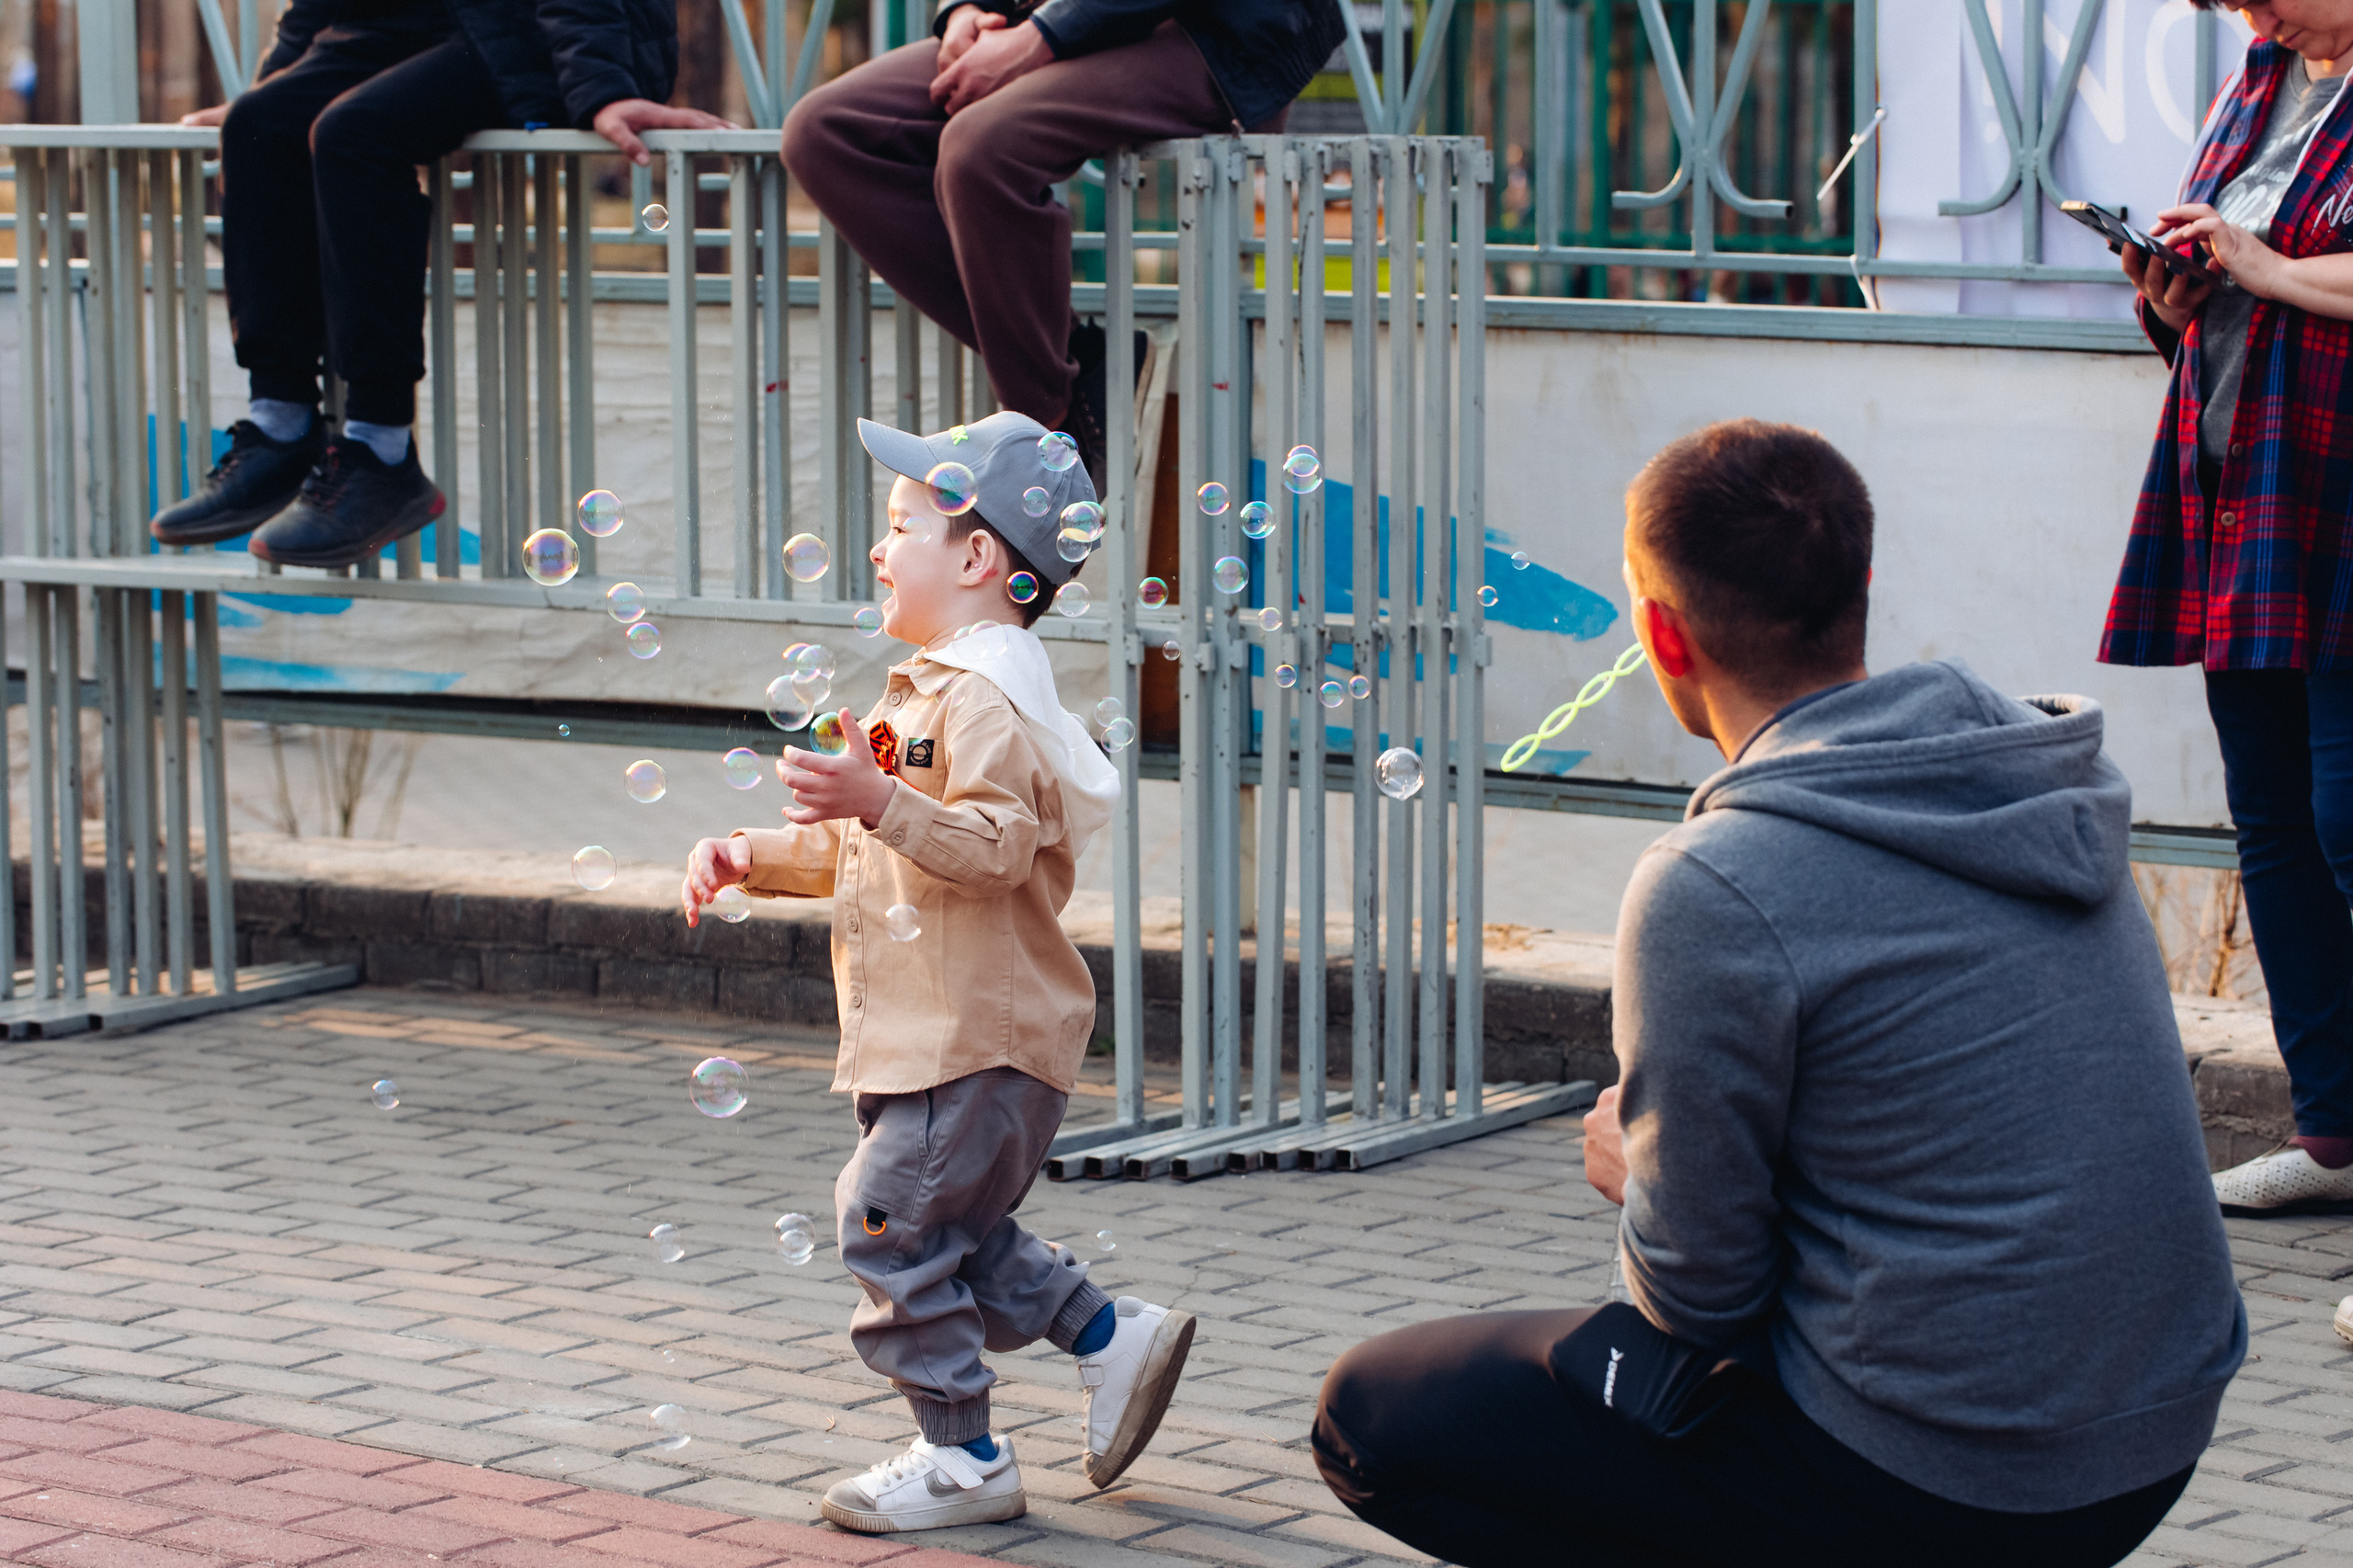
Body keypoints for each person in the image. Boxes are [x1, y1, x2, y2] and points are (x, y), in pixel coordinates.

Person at [1311, 420, 2246, 1567]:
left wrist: (1633, 1170)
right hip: (2153, 1437)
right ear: (1858, 583)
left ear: (1659, 631)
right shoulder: (2032, 773)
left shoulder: (1716, 881)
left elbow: (1694, 1299)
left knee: (1369, 1416)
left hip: (1952, 1477)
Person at [677, 410, 1196, 1534]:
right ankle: (1114, 1336)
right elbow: (872, 841)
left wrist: (878, 798)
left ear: (976, 560)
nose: (878, 543)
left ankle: (964, 1457)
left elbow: (992, 843)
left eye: (903, 521)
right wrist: (750, 857)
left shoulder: (984, 698)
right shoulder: (918, 689)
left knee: (882, 1222)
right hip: (932, 1030)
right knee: (947, 1231)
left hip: (981, 1034)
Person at [153, 0, 728, 568]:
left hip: (534, 33)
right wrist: (276, 82)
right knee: (256, 126)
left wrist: (604, 85)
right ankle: (280, 425)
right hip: (405, 26)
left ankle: (381, 450)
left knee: (354, 132)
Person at [2107, 1, 2353, 1233]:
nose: (2253, 16)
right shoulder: (2263, 75)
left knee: (2348, 814)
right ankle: (2336, 1131)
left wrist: (2259, 263)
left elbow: (2279, 263)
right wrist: (2173, 286)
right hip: (2246, 479)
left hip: (2343, 483)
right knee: (2272, 816)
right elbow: (2224, 277)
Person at [779, 0, 1343, 489]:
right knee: (825, 131)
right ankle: (1083, 366)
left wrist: (1042, 38)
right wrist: (964, 13)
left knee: (982, 148)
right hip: (1049, 15)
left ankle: (1047, 429)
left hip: (1210, 29)